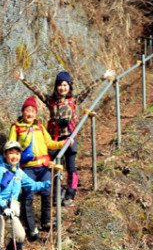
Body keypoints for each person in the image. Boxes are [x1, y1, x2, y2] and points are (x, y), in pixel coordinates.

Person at [15, 68, 115, 206]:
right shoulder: (50, 101)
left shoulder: (74, 100)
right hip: (53, 139)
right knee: (53, 166)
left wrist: (104, 76)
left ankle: (70, 193)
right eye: (60, 85)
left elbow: (89, 87)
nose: (62, 88)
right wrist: (23, 79)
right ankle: (57, 190)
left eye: (65, 85)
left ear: (69, 86)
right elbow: (36, 91)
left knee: (71, 166)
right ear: (56, 86)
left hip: (70, 137)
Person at [8, 96, 64, 242]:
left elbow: (50, 143)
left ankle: (46, 221)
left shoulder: (39, 126)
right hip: (28, 167)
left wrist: (63, 143)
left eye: (33, 111)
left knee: (47, 192)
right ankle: (31, 228)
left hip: (44, 165)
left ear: (36, 113)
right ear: (22, 111)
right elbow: (11, 146)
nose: (30, 114)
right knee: (28, 195)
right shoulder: (16, 127)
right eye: (27, 111)